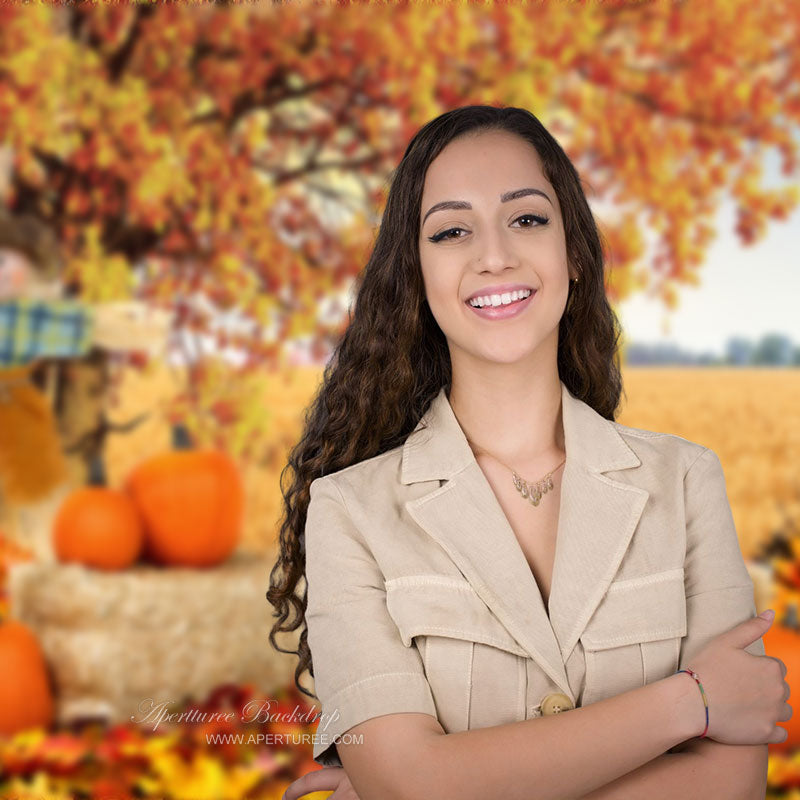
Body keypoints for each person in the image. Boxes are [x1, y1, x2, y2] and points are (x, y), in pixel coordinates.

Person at [268, 105, 790, 800]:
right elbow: (410, 785)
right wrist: (689, 703)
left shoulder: (687, 482)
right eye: (452, 231)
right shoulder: (348, 513)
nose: (494, 256)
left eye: (527, 219)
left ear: (572, 250)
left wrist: (436, 784)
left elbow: (731, 788)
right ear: (416, 275)